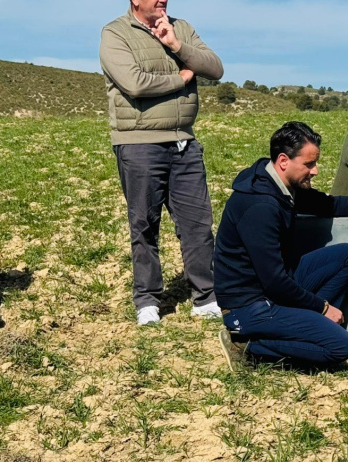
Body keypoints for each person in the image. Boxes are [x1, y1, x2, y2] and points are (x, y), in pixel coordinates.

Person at [214, 122, 348, 370]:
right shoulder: (260, 206)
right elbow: (274, 281)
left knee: (346, 256)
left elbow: (328, 204)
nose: (316, 171)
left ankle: (306, 324)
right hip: (248, 306)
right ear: (284, 160)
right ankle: (247, 346)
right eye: (309, 164)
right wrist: (322, 308)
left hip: (271, 289)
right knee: (340, 347)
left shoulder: (280, 185)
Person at [100, 0, 224, 325]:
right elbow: (135, 83)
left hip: (184, 140)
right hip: (139, 142)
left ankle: (206, 296)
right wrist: (182, 78)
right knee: (143, 224)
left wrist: (176, 45)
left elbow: (215, 68)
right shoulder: (115, 33)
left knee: (197, 223)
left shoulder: (181, 27)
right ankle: (147, 301)